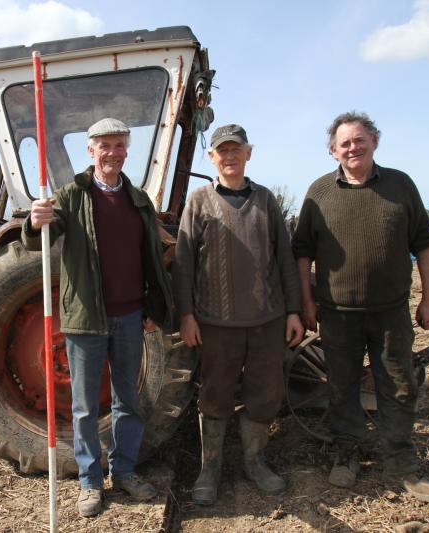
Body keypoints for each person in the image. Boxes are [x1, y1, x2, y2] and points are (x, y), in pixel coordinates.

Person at [292, 111, 429, 504]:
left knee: (398, 384)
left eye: (360, 140)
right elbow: (302, 254)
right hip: (337, 314)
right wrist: (306, 301)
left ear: (374, 142)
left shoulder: (400, 185)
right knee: (341, 386)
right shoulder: (319, 193)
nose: (353, 148)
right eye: (344, 143)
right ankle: (346, 453)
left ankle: (401, 463)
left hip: (391, 311)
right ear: (332, 151)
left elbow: (425, 245)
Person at [21, 117, 173, 518]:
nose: (113, 153)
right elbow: (43, 233)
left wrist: (153, 307)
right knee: (86, 407)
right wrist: (34, 221)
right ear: (91, 151)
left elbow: (151, 259)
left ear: (127, 150)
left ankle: (123, 470)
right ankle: (90, 482)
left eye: (119, 145)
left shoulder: (139, 199)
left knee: (129, 400)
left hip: (130, 317)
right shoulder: (72, 196)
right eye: (104, 145)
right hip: (86, 319)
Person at [173, 124, 303, 504]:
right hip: (215, 324)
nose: (229, 157)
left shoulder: (266, 201)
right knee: (214, 395)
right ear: (211, 158)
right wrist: (187, 315)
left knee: (265, 394)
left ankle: (255, 462)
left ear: (249, 153)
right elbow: (182, 264)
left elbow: (285, 259)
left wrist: (293, 311)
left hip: (267, 321)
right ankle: (209, 469)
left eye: (236, 150)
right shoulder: (198, 202)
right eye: (222, 151)